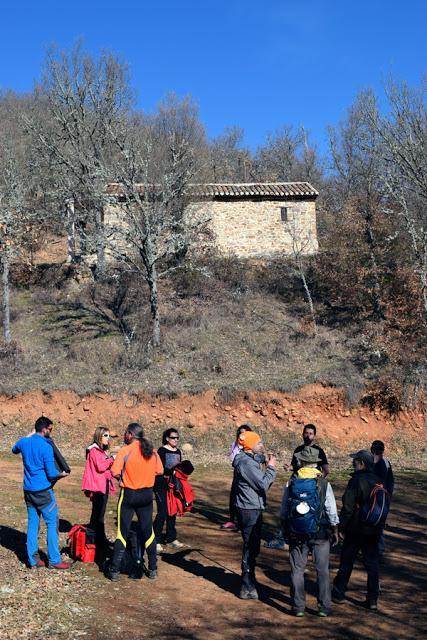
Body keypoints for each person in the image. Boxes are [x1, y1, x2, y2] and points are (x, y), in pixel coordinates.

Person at [280, 446, 339, 617]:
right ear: (316, 463)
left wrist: (284, 527)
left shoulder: (292, 481)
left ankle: (298, 607)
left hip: (296, 532)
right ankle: (324, 607)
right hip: (320, 533)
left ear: (302, 462)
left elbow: (284, 509)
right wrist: (335, 529)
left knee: (297, 570)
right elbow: (331, 510)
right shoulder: (323, 483)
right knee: (322, 570)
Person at [11, 416, 71, 570]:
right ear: (44, 429)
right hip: (43, 492)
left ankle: (33, 560)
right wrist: (61, 474)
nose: (51, 432)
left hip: (28, 491)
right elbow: (51, 473)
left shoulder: (25, 442)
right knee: (52, 523)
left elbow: (13, 449)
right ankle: (54, 560)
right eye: (50, 429)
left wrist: (29, 435)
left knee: (32, 524)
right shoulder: (46, 447)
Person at [107, 423, 163, 581]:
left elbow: (114, 472)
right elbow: (160, 470)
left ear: (130, 434)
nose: (124, 436)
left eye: (125, 433)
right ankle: (153, 568)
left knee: (122, 533)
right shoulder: (152, 451)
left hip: (129, 494)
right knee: (148, 531)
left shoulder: (125, 450)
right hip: (146, 495)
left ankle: (114, 570)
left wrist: (126, 477)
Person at [332, 450, 383, 610]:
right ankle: (373, 599)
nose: (352, 463)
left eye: (355, 460)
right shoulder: (378, 480)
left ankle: (339, 593)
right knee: (372, 564)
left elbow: (347, 507)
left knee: (347, 560)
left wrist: (341, 527)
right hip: (374, 529)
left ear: (361, 463)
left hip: (356, 528)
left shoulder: (356, 480)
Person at [233, 430, 276, 599]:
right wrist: (271, 467)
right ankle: (247, 585)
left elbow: (253, 459)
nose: (262, 445)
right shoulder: (246, 464)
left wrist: (264, 458)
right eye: (259, 443)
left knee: (253, 546)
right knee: (250, 547)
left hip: (251, 507)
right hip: (250, 510)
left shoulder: (247, 459)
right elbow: (263, 484)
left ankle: (249, 579)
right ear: (250, 446)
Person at [81, 426, 116, 559]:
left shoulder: (100, 450)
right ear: (99, 436)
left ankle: (100, 541)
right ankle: (91, 542)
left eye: (109, 435)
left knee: (99, 515)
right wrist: (112, 458)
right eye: (105, 435)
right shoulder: (94, 450)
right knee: (96, 516)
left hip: (102, 485)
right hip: (97, 487)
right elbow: (101, 467)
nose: (108, 438)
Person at [153, 428, 183, 552]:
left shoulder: (178, 451)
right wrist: (173, 471)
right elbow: (160, 468)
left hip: (173, 485)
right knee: (162, 512)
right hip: (161, 485)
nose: (175, 440)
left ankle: (171, 538)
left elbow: (179, 467)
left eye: (177, 438)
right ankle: (156, 540)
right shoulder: (161, 451)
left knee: (173, 511)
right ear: (167, 438)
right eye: (173, 438)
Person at [221, 424, 252, 530]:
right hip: (237, 473)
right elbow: (233, 459)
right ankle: (231, 520)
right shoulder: (235, 444)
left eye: (244, 433)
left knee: (244, 497)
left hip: (248, 474)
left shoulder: (251, 445)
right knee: (233, 496)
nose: (242, 435)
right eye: (240, 432)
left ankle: (243, 522)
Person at [371, 440, 394, 560]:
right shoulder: (368, 461)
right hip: (371, 498)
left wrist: (388, 498)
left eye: (379, 449)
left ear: (382, 451)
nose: (376, 451)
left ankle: (378, 552)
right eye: (375, 449)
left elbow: (390, 483)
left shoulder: (385, 463)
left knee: (378, 525)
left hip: (381, 500)